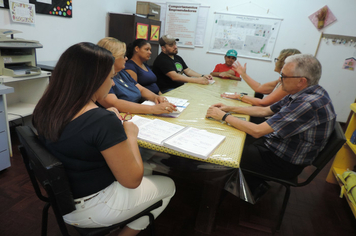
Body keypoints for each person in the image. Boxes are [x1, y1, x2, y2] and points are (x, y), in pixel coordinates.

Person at [32, 42, 175, 236]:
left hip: (63, 199)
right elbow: (132, 181)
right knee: (169, 185)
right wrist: (130, 135)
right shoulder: (101, 120)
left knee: (151, 169)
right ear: (93, 80)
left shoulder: (46, 107)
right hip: (93, 207)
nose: (113, 83)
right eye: (110, 77)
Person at [206, 54, 336, 196]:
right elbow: (265, 110)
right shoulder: (303, 92)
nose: (280, 80)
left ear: (301, 81)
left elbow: (257, 131)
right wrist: (229, 108)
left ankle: (220, 194)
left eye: (284, 76)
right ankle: (248, 184)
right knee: (234, 135)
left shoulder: (308, 103)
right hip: (277, 146)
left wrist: (224, 116)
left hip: (283, 162)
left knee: (226, 149)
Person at [97, 37, 176, 114]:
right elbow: (115, 103)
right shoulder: (101, 78)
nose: (126, 58)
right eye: (123, 56)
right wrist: (152, 109)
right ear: (113, 58)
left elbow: (141, 89)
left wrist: (156, 97)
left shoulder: (122, 73)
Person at [221, 49, 301, 106]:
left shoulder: (288, 84)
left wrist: (239, 96)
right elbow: (260, 88)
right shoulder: (280, 80)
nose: (276, 62)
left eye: (277, 59)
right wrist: (243, 74)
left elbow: (263, 103)